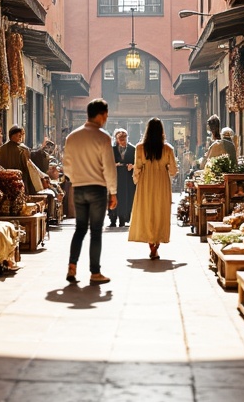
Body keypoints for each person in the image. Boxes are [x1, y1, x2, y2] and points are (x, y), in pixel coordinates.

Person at [64, 98, 116, 285]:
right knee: (95, 231)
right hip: (97, 189)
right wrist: (113, 192)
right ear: (101, 115)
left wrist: (76, 178)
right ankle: (95, 272)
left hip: (78, 188)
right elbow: (109, 168)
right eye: (106, 115)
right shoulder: (103, 137)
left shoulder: (72, 137)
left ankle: (72, 266)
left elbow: (67, 167)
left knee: (79, 229)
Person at [128, 117, 178, 260]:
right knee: (160, 211)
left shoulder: (140, 148)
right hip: (162, 182)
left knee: (147, 211)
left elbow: (137, 168)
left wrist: (136, 181)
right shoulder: (168, 149)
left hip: (146, 182)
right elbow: (173, 170)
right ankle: (156, 244)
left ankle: (151, 245)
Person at [0, 125, 57, 212]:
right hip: (20, 179)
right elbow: (29, 165)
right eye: (19, 135)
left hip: (5, 179)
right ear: (12, 136)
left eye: (21, 135)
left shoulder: (3, 148)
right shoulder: (22, 149)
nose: (21, 138)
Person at [108, 128, 136, 227]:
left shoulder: (133, 149)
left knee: (126, 197)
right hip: (115, 177)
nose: (122, 142)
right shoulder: (112, 149)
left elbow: (137, 162)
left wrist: (132, 166)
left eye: (124, 139)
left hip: (127, 177)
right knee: (114, 196)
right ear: (116, 139)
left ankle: (123, 219)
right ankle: (113, 218)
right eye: (120, 139)